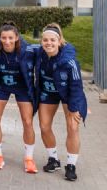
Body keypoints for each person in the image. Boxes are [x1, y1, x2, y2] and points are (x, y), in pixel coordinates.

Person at [35, 23, 87, 182]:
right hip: (48, 92)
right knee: (44, 126)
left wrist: (75, 108)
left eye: (52, 40)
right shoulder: (39, 54)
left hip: (68, 94)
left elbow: (77, 87)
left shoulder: (69, 62)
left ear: (59, 41)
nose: (48, 43)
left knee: (72, 126)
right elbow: (18, 45)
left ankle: (71, 165)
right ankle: (53, 159)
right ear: (41, 42)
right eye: (45, 40)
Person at [0, 22, 38, 173]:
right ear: (0, 38)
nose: (7, 41)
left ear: (17, 37)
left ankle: (29, 158)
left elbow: (50, 50)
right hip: (2, 85)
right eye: (4, 38)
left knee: (27, 121)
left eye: (10, 37)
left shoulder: (28, 50)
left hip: (22, 86)